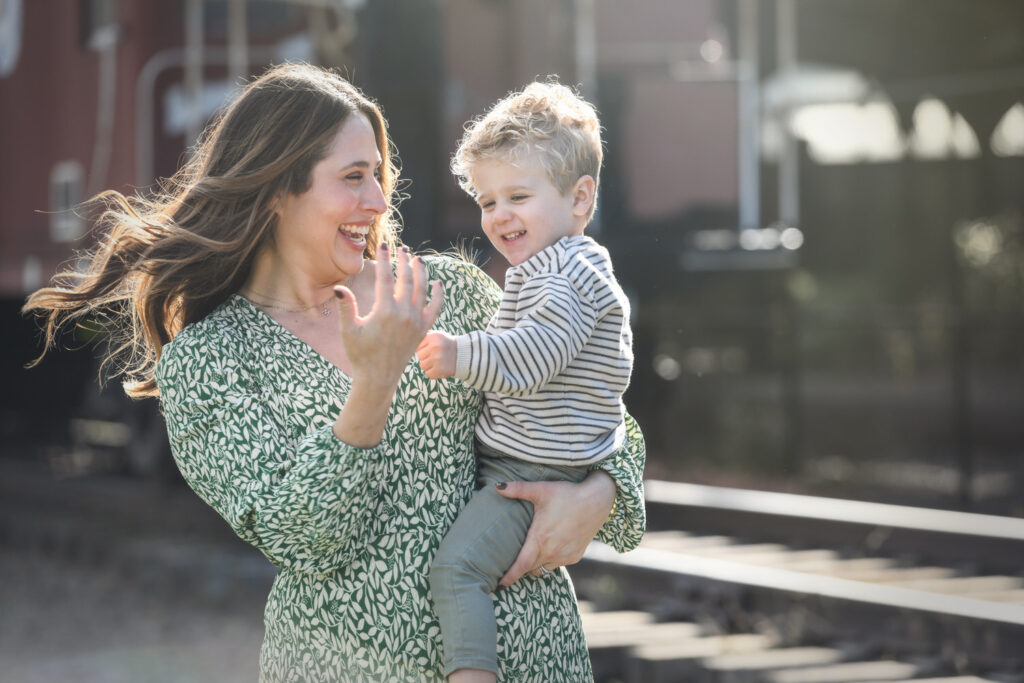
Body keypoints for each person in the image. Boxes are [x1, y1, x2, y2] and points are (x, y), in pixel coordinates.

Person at [22, 63, 646, 682]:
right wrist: (374, 384)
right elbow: (306, 539)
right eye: (352, 177)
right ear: (274, 194)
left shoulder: (445, 288)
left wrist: (600, 493)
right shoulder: (212, 360)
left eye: (377, 174)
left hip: (532, 660)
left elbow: (590, 404)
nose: (377, 200)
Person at [416, 81, 633, 682]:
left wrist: (459, 353)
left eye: (517, 195)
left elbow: (534, 356)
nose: (498, 216)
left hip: (534, 470)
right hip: (534, 458)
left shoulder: (569, 274)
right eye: (487, 202)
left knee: (457, 570)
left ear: (579, 198)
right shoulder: (550, 265)